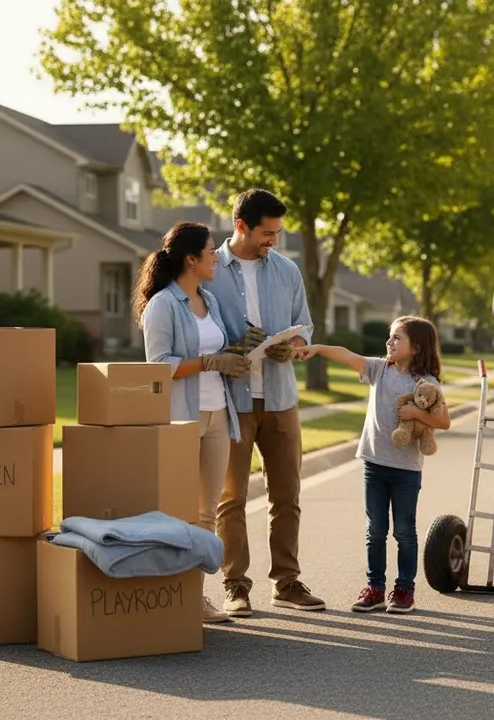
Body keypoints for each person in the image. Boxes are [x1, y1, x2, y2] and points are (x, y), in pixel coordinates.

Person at [135, 221, 266, 624]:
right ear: (191, 259)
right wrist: (210, 362)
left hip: (217, 414)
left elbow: (219, 349)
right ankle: (174, 595)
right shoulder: (163, 305)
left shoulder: (207, 297)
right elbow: (157, 367)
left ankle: (196, 596)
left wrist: (245, 348)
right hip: (180, 418)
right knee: (179, 512)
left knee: (206, 513)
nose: (216, 257)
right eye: (210, 252)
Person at [206, 188, 326, 616]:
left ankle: (287, 582)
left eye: (277, 232)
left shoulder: (287, 271)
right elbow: (198, 326)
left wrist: (291, 344)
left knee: (287, 495)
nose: (273, 240)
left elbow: (305, 326)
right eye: (266, 232)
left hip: (280, 397)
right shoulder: (209, 268)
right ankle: (235, 585)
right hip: (231, 401)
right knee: (231, 498)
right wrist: (232, 346)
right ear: (241, 226)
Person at [296, 316, 450, 614]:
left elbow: (443, 420)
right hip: (374, 464)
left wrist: (416, 414)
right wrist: (317, 347)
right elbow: (348, 355)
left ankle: (404, 590)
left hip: (406, 470)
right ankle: (375, 588)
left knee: (404, 531)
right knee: (375, 530)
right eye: (390, 337)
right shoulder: (380, 369)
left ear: (416, 347)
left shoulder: (426, 384)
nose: (389, 343)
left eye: (397, 338)